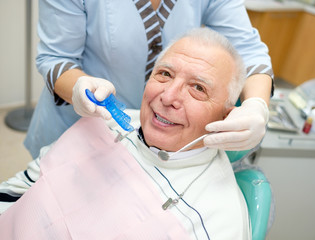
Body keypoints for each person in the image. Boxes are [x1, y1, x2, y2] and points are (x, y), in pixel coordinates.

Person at [0, 28, 251, 239]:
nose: (168, 96)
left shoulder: (220, 218)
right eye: (165, 74)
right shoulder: (104, 124)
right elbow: (21, 188)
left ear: (225, 117)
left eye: (197, 88)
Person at [24, 0, 273, 159]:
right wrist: (79, 86)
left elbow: (248, 50)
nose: (168, 97)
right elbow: (56, 57)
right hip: (76, 128)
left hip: (158, 145)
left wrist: (256, 105)